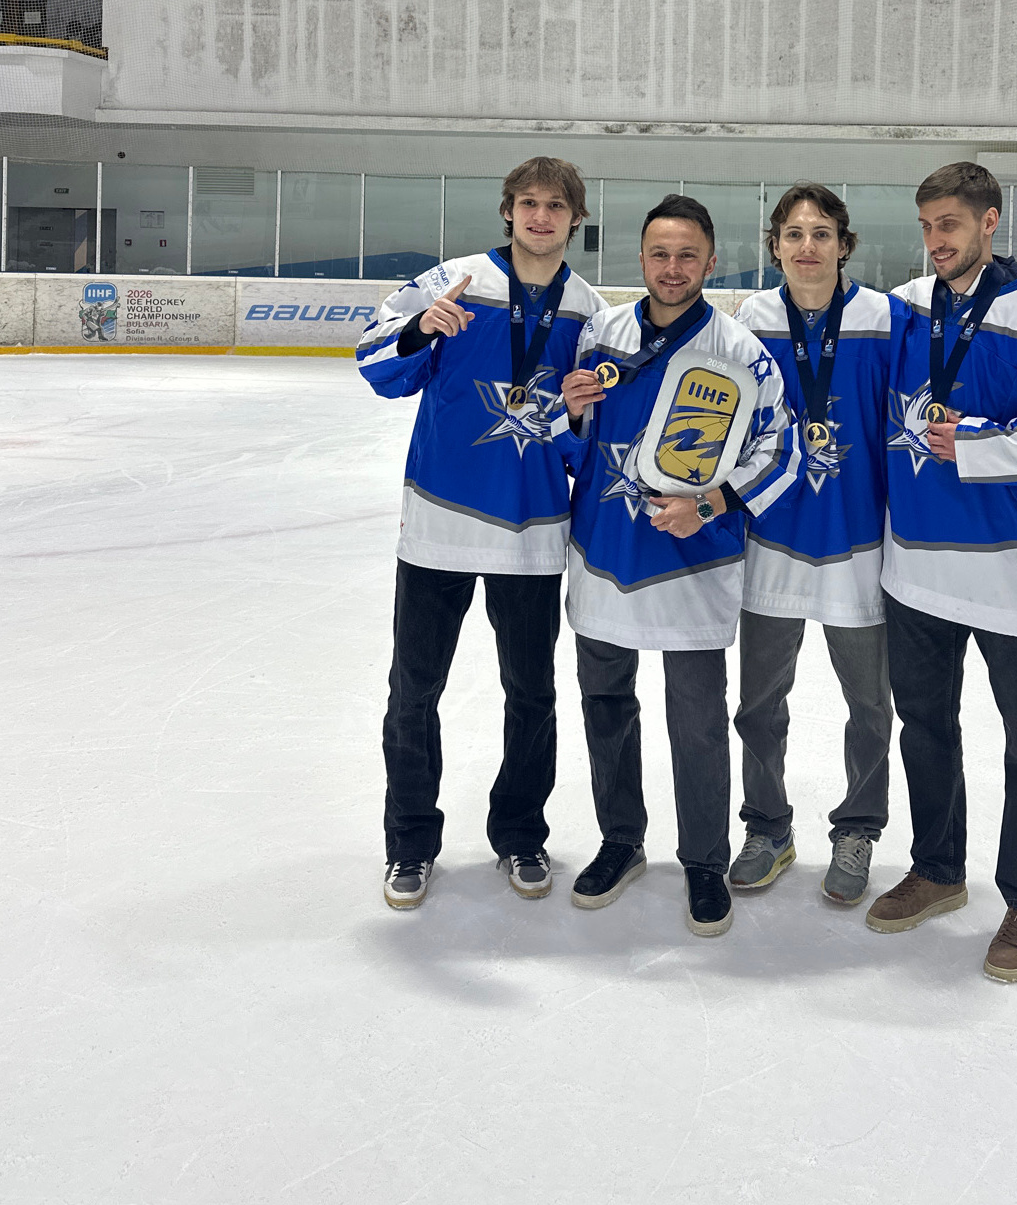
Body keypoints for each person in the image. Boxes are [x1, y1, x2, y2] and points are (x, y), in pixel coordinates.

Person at [869, 162, 1017, 982]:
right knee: (926, 728)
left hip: (1010, 575)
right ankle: (938, 869)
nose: (936, 240)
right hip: (913, 569)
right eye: (926, 226)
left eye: (950, 224)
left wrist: (977, 444)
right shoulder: (905, 309)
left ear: (989, 222)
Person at [356, 157, 608, 912]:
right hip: (438, 527)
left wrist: (576, 412)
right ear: (508, 210)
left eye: (555, 206)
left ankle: (521, 834)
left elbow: (586, 444)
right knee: (414, 691)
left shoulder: (590, 313)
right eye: (528, 203)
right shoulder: (453, 282)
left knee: (531, 694)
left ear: (575, 219)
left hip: (531, 534)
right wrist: (419, 329)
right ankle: (409, 842)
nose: (540, 217)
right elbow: (375, 362)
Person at [554, 195, 802, 939]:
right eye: (660, 254)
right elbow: (567, 440)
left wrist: (715, 502)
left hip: (694, 560)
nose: (672, 268)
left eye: (687, 255)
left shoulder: (739, 351)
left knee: (696, 719)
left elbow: (781, 450)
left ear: (711, 262)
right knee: (605, 704)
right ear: (641, 259)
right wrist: (572, 411)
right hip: (605, 553)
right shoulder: (601, 332)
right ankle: (621, 841)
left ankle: (703, 859)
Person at [730, 183, 894, 906]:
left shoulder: (883, 319)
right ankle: (767, 827)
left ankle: (857, 828)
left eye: (821, 234)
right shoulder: (752, 320)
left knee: (870, 705)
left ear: (844, 245)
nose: (807, 247)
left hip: (858, 542)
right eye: (794, 234)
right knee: (759, 704)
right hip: (772, 539)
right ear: (775, 246)